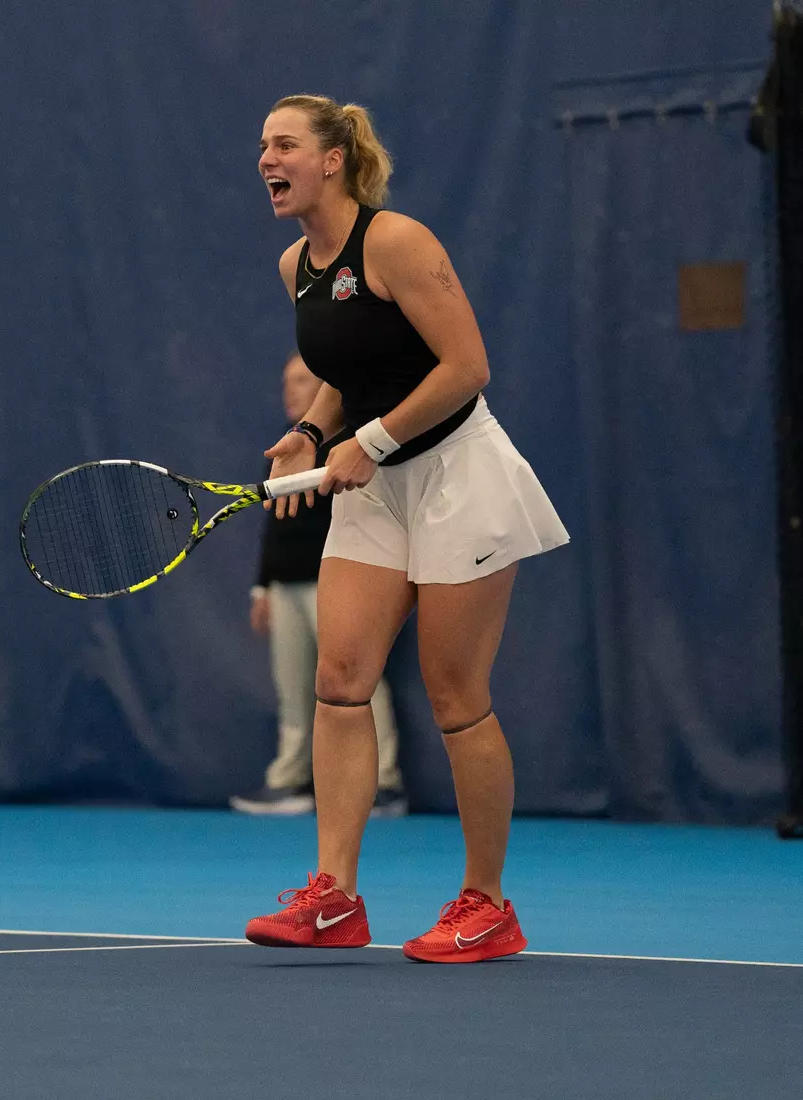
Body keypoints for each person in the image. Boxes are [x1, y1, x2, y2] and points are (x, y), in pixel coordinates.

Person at [245, 95, 569, 963]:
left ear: (332, 160)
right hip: (373, 482)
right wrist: (313, 431)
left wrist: (373, 440)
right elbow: (344, 369)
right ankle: (334, 899)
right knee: (339, 677)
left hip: (458, 475)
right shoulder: (294, 266)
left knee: (455, 695)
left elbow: (467, 366)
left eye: (284, 144)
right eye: (262, 147)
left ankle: (487, 904)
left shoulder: (396, 242)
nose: (266, 160)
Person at [230, 351, 408, 818]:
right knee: (293, 690)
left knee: (358, 682)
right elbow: (274, 526)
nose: (291, 390)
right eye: (286, 381)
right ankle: (288, 782)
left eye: (302, 381)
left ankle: (385, 785)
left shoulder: (355, 448)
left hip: (337, 583)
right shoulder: (287, 453)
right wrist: (261, 588)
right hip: (286, 587)